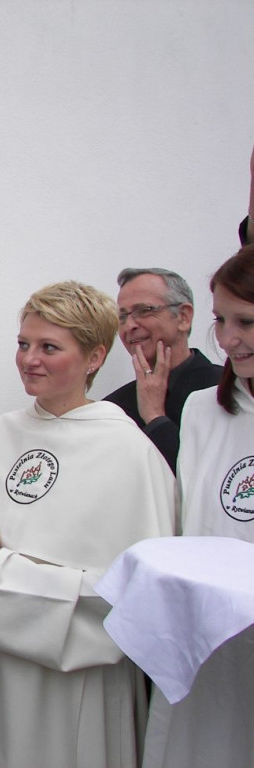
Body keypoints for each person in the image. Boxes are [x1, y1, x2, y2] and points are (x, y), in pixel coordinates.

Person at [0, 281, 176, 768]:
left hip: (73, 676)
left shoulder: (130, 454)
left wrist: (7, 576)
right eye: (23, 344)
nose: (28, 360)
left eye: (48, 347)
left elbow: (139, 591)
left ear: (94, 357)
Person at [142, 244, 254, 768]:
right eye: (221, 321)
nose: (229, 339)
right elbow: (186, 516)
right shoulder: (204, 409)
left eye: (247, 322)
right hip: (206, 640)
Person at [103, 268, 221, 471]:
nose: (129, 325)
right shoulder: (112, 409)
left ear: (183, 317)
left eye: (144, 310)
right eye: (122, 317)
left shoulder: (225, 389)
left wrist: (155, 416)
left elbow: (209, 481)